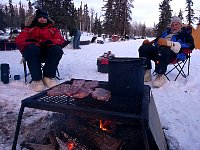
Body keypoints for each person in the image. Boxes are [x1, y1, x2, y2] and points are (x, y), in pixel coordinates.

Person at [15, 9, 64, 92]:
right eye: (40, 17)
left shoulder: (53, 29)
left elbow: (60, 40)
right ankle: (37, 80)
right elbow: (19, 40)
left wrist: (50, 42)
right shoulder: (29, 29)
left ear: (47, 19)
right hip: (33, 53)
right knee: (31, 49)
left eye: (44, 17)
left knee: (57, 49)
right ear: (36, 18)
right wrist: (28, 41)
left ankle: (47, 77)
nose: (42, 19)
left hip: (47, 53)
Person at [138, 16, 195, 88]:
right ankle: (147, 73)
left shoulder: (185, 34)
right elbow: (157, 41)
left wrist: (170, 44)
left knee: (163, 49)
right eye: (172, 25)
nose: (174, 27)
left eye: (176, 24)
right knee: (143, 48)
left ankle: (160, 75)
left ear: (181, 25)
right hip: (158, 52)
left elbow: (190, 46)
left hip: (173, 54)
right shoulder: (166, 33)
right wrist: (149, 43)